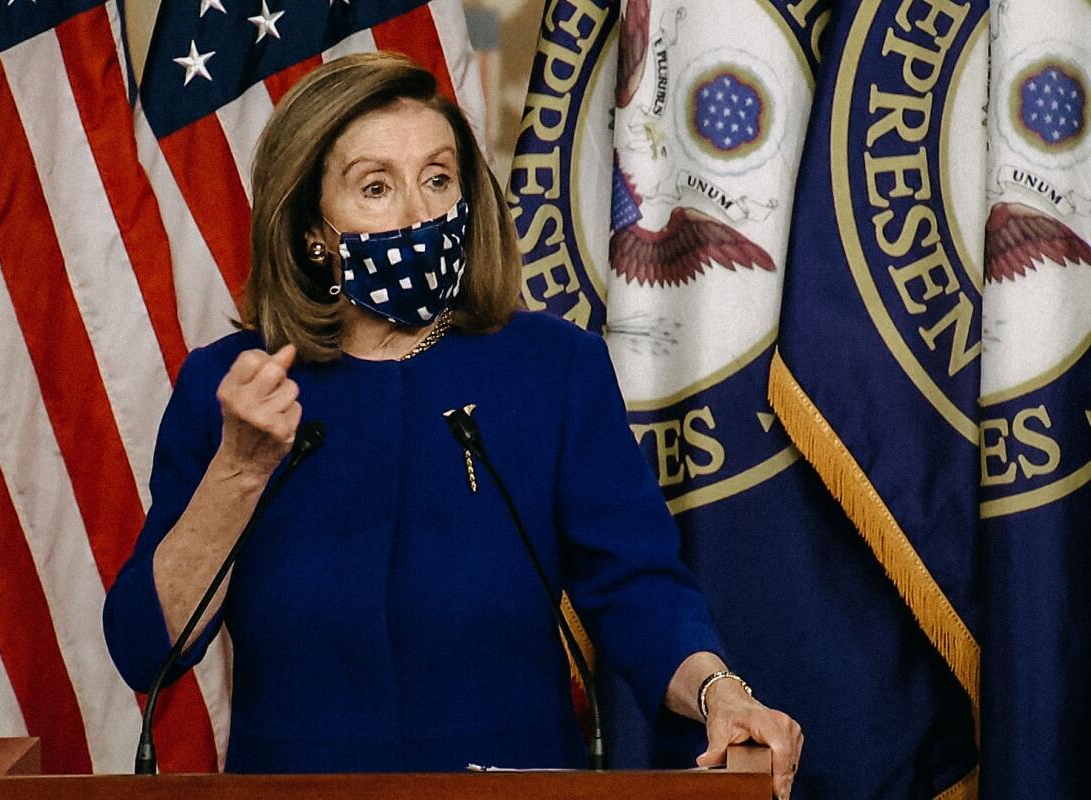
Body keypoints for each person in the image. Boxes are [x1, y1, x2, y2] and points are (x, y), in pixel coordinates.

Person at [103, 52, 803, 797]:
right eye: (376, 187)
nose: (417, 213)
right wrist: (239, 470)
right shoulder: (233, 387)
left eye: (437, 179)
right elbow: (150, 650)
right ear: (313, 230)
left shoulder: (551, 368)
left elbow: (637, 589)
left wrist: (718, 692)